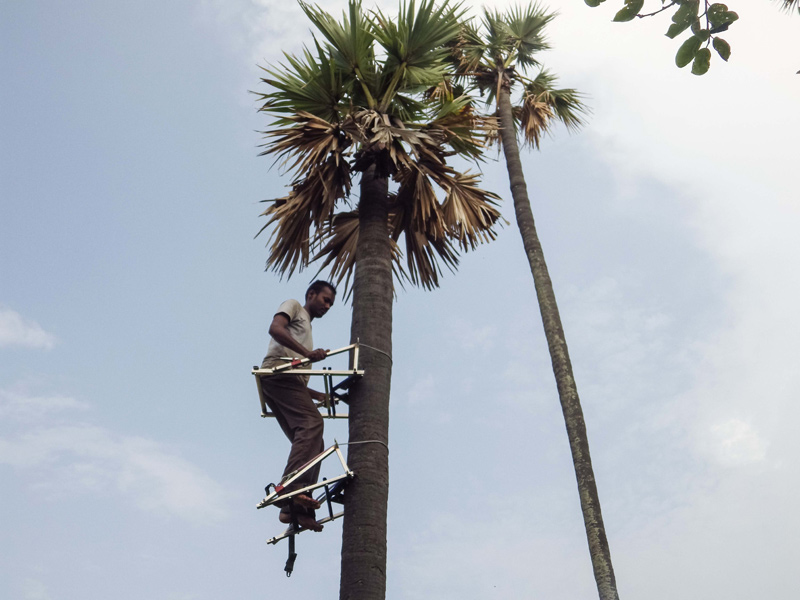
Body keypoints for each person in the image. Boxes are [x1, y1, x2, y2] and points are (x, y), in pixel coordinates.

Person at [258, 280, 336, 532]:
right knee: (312, 424)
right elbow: (275, 329)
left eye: (331, 304)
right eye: (325, 299)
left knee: (316, 442)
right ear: (311, 294)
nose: (328, 306)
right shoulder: (293, 306)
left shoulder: (308, 330)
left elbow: (299, 385)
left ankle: (293, 509)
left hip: (287, 382)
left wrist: (319, 396)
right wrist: (307, 353)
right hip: (277, 373)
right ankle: (291, 488)